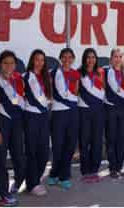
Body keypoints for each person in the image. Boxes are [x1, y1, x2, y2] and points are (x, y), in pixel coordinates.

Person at [48, 48, 80, 189]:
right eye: (64, 57)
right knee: (58, 145)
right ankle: (54, 173)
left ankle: (64, 175)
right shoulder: (54, 72)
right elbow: (50, 92)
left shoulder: (76, 73)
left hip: (72, 113)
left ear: (73, 59)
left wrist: (72, 103)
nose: (67, 59)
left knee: (70, 144)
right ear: (60, 58)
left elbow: (76, 91)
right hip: (58, 113)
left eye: (70, 57)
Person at [23, 49, 52, 196]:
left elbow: (49, 98)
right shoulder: (26, 76)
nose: (39, 62)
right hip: (31, 117)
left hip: (43, 118)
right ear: (32, 61)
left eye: (42, 60)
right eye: (36, 59)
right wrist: (43, 107)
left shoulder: (46, 77)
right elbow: (30, 98)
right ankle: (32, 184)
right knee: (32, 152)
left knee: (44, 152)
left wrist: (46, 108)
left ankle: (35, 179)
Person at [0, 50, 24, 206]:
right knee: (0, 160)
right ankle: (3, 195)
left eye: (11, 63)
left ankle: (15, 185)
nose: (9, 66)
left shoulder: (17, 80)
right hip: (2, 123)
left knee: (19, 157)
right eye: (6, 62)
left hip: (16, 124)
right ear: (1, 64)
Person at [104, 48, 124, 179]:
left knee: (122, 139)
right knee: (111, 139)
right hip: (110, 110)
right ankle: (112, 168)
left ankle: (119, 167)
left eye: (120, 56)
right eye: (115, 56)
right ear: (111, 58)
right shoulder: (105, 72)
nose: (117, 59)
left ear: (123, 58)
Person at [78, 48, 105, 183]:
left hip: (99, 111)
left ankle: (94, 170)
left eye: (93, 57)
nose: (91, 60)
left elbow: (104, 90)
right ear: (84, 59)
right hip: (84, 111)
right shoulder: (79, 73)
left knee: (97, 141)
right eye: (88, 57)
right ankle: (85, 170)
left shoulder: (100, 72)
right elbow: (78, 92)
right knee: (84, 141)